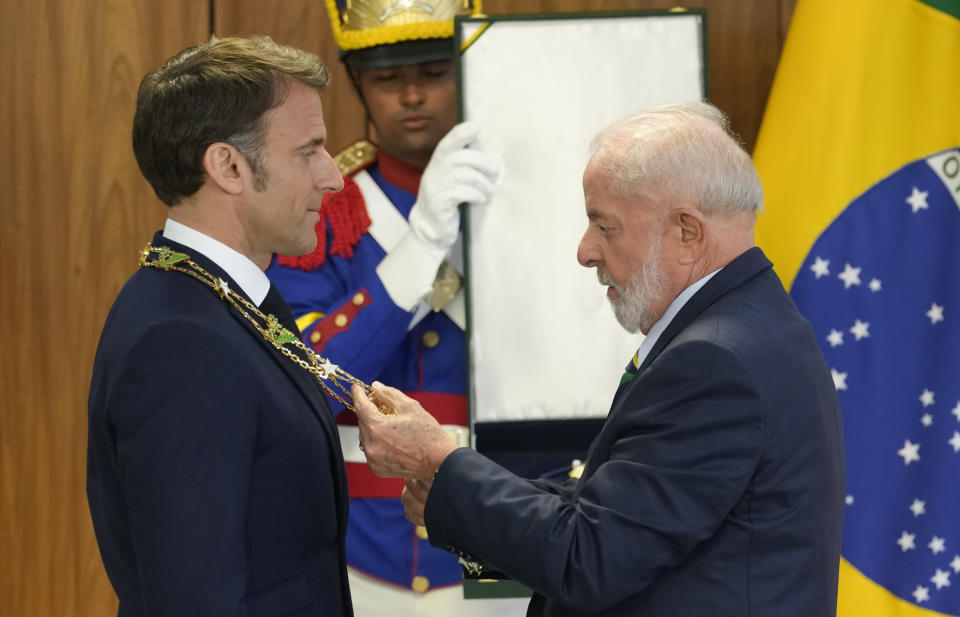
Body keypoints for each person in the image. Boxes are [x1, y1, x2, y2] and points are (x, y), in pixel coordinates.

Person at [351, 102, 847, 617]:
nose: (585, 251)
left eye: (604, 227)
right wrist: (451, 489)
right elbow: (618, 504)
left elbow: (590, 558)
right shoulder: (753, 324)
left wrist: (440, 461)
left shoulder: (714, 361)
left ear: (687, 232)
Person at [265, 2, 525, 615]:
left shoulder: (532, 201)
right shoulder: (325, 211)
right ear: (357, 81)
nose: (410, 94)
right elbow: (305, 386)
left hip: (504, 535)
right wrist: (421, 248)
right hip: (355, 551)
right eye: (386, 79)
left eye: (433, 71)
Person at [86, 35, 352, 617]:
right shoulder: (183, 344)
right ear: (228, 165)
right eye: (309, 151)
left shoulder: (219, 302)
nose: (332, 177)